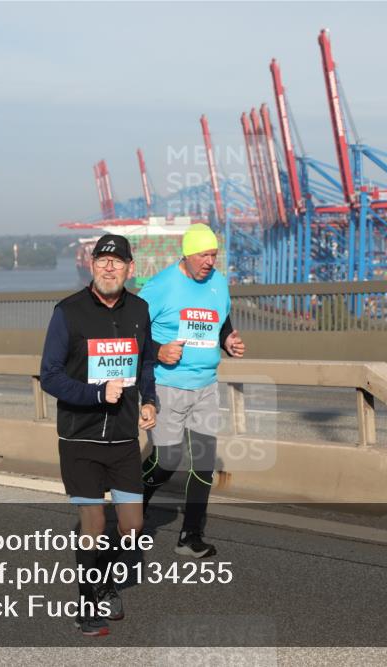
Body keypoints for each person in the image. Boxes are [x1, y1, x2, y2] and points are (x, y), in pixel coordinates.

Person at [40, 233, 157, 637]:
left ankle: (105, 581)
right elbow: (50, 376)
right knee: (92, 521)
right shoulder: (68, 312)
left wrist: (149, 401)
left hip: (124, 438)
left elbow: (146, 365)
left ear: (130, 268)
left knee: (132, 526)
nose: (109, 267)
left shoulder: (140, 311)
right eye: (102, 260)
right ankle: (88, 606)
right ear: (92, 266)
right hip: (80, 438)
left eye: (117, 261)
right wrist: (93, 394)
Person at [138, 223, 245, 559]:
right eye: (204, 255)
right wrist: (158, 351)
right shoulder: (159, 287)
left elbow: (221, 320)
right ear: (186, 253)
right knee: (167, 461)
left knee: (203, 463)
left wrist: (227, 340)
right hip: (168, 387)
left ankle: (190, 536)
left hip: (206, 386)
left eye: (214, 255)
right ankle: (132, 504)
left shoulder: (218, 282)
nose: (210, 262)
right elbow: (132, 334)